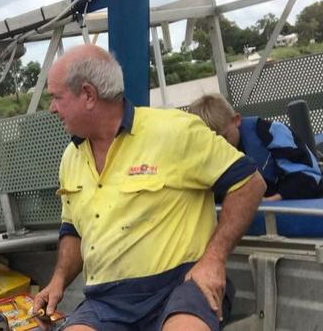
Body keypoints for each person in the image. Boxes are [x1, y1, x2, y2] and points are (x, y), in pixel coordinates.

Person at [32, 45, 266, 331]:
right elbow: (73, 230)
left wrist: (214, 259)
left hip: (181, 285)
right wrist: (58, 281)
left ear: (88, 95)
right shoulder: (71, 158)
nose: (52, 108)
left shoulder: (174, 130)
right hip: (106, 301)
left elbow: (250, 183)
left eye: (56, 97)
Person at [189, 93, 323, 201]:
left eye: (224, 137)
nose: (221, 146)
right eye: (212, 143)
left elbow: (310, 176)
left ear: (236, 120)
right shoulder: (201, 154)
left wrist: (273, 200)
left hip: (290, 207)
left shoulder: (270, 132)